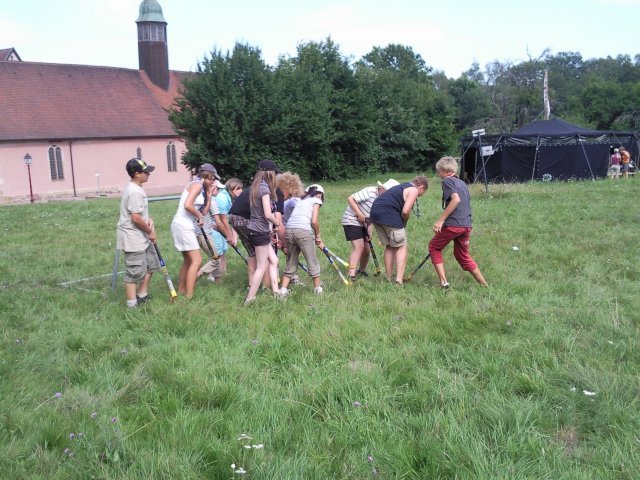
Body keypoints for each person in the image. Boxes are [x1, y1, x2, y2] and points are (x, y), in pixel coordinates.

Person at [428, 156, 488, 289]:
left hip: (454, 225)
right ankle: (484, 285)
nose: (438, 174)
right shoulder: (461, 183)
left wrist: (441, 220)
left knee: (434, 247)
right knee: (462, 256)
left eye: (438, 172)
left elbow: (456, 200)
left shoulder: (447, 181)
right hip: (466, 225)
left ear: (445, 171)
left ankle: (444, 283)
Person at [170, 163, 218, 298]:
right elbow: (187, 205)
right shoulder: (197, 185)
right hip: (183, 225)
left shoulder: (201, 188)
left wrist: (209, 196)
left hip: (183, 225)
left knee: (188, 261)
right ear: (208, 176)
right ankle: (189, 296)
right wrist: (199, 216)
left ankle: (181, 291)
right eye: (213, 178)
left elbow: (204, 211)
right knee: (197, 261)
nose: (213, 182)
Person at [369, 175, 428, 284]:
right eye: (422, 193)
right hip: (388, 214)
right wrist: (404, 222)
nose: (420, 195)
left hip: (375, 213)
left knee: (389, 246)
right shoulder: (414, 190)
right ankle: (398, 281)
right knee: (401, 246)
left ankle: (388, 278)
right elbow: (405, 211)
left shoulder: (401, 186)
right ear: (421, 187)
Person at [116, 158, 159, 308]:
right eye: (145, 172)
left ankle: (142, 294)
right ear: (137, 174)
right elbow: (135, 218)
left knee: (151, 265)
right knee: (134, 272)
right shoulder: (134, 191)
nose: (148, 174)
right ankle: (132, 305)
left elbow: (139, 213)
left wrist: (148, 220)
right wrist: (150, 231)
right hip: (133, 238)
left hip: (142, 235)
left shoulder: (138, 188)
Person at [341, 178, 399, 282]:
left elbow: (371, 216)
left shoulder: (384, 200)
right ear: (382, 188)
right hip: (351, 220)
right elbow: (350, 198)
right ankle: (351, 274)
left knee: (367, 249)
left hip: (365, 223)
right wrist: (359, 214)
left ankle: (361, 271)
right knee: (359, 247)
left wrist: (369, 230)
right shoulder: (370, 192)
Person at [244, 159, 282, 304]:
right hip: (260, 231)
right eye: (275, 173)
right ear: (270, 173)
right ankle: (250, 298)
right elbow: (267, 214)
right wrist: (277, 223)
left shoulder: (256, 187)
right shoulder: (265, 189)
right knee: (261, 266)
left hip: (255, 229)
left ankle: (276, 292)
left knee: (274, 260)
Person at [279, 185, 325, 296]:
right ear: (320, 195)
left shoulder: (301, 201)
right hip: (302, 231)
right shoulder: (316, 200)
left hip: (289, 230)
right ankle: (317, 289)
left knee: (291, 261)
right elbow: (314, 221)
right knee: (312, 260)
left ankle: (283, 290)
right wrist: (318, 237)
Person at [208, 177, 239, 282]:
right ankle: (211, 275)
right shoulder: (222, 198)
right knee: (217, 252)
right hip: (216, 228)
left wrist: (233, 236)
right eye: (237, 189)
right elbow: (223, 220)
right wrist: (229, 236)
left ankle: (223, 272)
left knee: (223, 251)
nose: (240, 191)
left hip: (221, 228)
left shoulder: (227, 197)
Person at [195, 178, 225, 283]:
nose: (219, 190)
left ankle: (218, 283)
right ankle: (195, 277)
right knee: (216, 259)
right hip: (203, 233)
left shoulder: (200, 198)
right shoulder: (211, 201)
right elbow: (219, 222)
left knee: (215, 257)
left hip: (198, 232)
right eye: (217, 188)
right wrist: (228, 236)